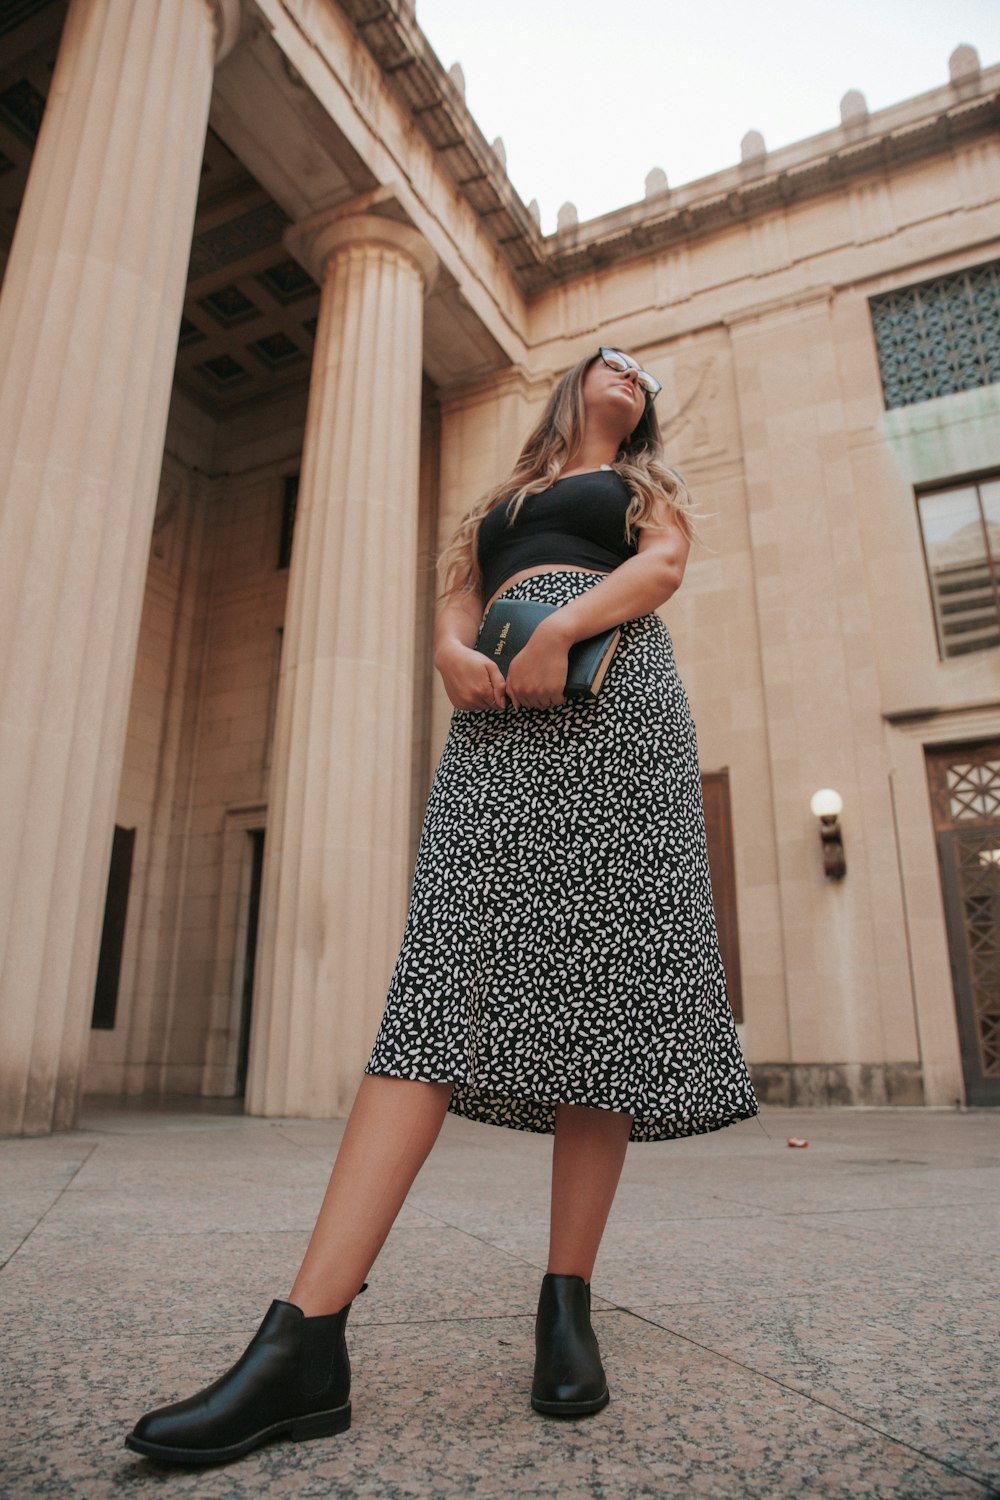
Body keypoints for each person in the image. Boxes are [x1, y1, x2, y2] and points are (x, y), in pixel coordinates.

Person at [124, 346, 758, 1467]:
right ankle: (304, 1341)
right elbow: (451, 612)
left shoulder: (646, 490)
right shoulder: (496, 505)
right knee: (434, 986)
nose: (629, 374)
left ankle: (566, 1303)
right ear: (572, 385)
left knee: (602, 1001)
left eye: (643, 374)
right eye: (609, 362)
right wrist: (451, 655)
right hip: (495, 724)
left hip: (616, 709)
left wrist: (564, 627)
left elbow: (662, 568)